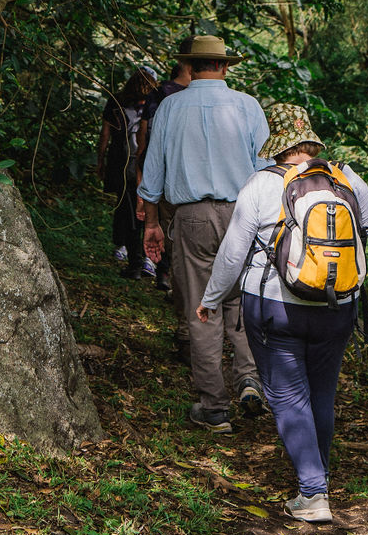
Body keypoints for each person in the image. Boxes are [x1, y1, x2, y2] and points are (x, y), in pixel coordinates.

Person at [197, 103, 368, 523]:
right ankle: (318, 477)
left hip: (275, 307)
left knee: (287, 395)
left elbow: (232, 253)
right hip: (338, 307)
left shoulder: (262, 183)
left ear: (278, 145)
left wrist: (211, 299)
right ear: (311, 141)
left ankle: (313, 492)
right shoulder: (346, 178)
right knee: (321, 393)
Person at [139, 33, 270, 431]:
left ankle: (214, 407)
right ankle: (249, 378)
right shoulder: (247, 106)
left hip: (192, 216)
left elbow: (153, 172)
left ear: (189, 67)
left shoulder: (171, 107)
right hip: (244, 212)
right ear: (225, 66)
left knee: (202, 306)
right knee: (241, 298)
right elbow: (266, 168)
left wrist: (151, 222)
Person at [137, 38, 194, 300]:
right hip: (185, 172)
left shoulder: (162, 93)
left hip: (169, 171)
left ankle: (169, 275)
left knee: (169, 226)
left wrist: (143, 163)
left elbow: (145, 132)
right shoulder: (175, 95)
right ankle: (176, 279)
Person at [97, 67, 157, 278]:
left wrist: (101, 160)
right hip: (146, 163)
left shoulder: (117, 101)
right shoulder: (156, 104)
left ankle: (133, 258)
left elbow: (105, 133)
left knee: (128, 208)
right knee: (147, 209)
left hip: (124, 161)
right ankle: (146, 259)